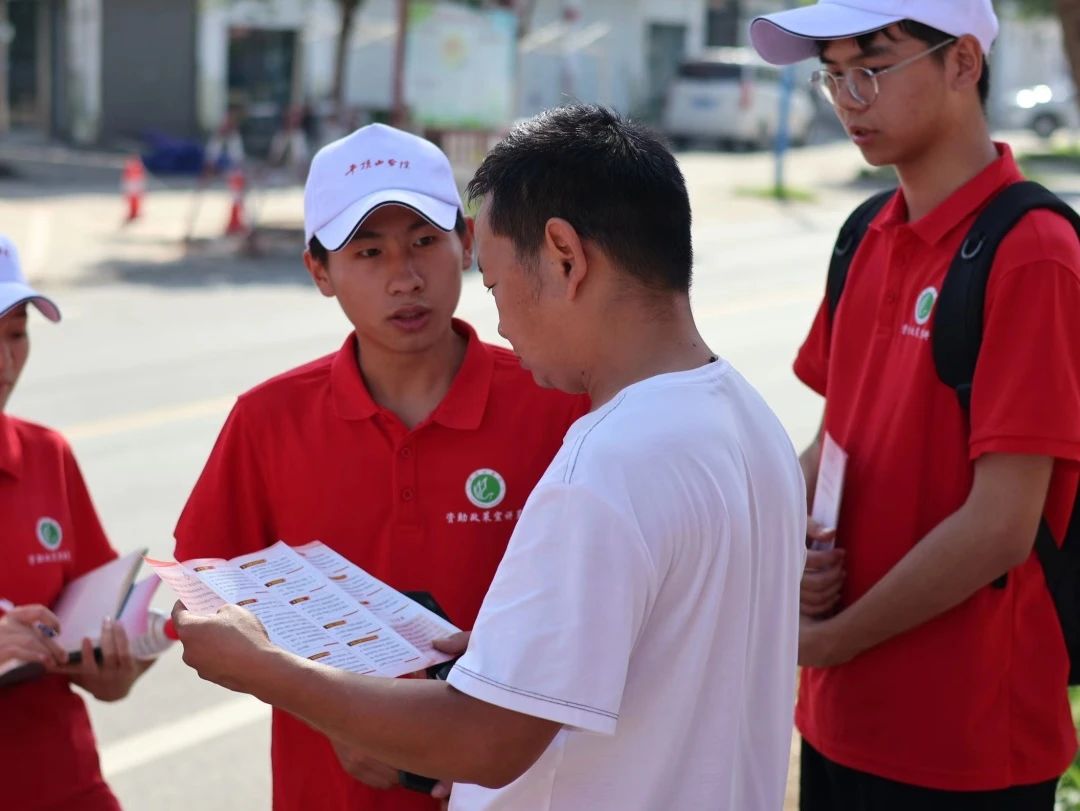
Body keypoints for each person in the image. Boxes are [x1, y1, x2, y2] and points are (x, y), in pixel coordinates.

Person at [173, 104, 806, 810]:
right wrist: (511, 657)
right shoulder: (750, 419)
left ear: (564, 256)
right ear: (320, 269)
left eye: (496, 283)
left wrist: (268, 670)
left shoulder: (600, 465)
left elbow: (488, 741)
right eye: (369, 252)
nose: (500, 321)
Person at [172, 122, 588, 811]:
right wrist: (330, 711)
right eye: (368, 252)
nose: (405, 277)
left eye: (424, 241)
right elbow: (204, 603)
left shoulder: (558, 402)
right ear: (320, 272)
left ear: (466, 243)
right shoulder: (267, 420)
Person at [748, 1, 1080, 808]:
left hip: (967, 743)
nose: (848, 99)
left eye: (872, 68)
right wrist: (776, 549)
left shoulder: (1034, 251)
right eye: (833, 76)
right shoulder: (865, 233)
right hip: (837, 719)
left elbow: (1000, 526)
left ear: (963, 62)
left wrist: (832, 639)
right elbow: (833, 447)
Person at [0, 235, 153, 810]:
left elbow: (104, 624)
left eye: (17, 335)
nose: (5, 363)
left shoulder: (46, 455)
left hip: (64, 785)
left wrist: (116, 669)